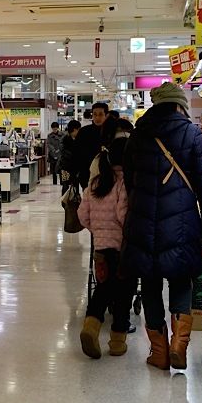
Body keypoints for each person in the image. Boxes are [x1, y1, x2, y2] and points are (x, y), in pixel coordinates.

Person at [122, 82, 202, 371]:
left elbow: (129, 179)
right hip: (182, 219)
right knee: (180, 278)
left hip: (143, 219)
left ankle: (159, 352)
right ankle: (179, 344)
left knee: (150, 282)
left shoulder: (137, 134)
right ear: (179, 105)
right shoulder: (191, 133)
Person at [77, 136, 135, 359]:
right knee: (124, 293)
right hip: (122, 249)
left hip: (101, 248)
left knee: (103, 288)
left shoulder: (94, 183)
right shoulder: (124, 183)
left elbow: (82, 215)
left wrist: (98, 230)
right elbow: (123, 215)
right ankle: (117, 342)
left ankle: (90, 328)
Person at [75, 102, 108, 189]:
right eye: (95, 114)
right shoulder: (84, 132)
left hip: (107, 176)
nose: (97, 117)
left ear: (106, 115)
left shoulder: (110, 133)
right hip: (87, 175)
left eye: (100, 114)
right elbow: (77, 153)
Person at [58, 120, 81, 193]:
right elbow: (63, 152)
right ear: (75, 129)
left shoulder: (79, 139)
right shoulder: (64, 139)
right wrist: (75, 155)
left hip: (76, 167)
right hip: (65, 167)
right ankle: (65, 199)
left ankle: (75, 198)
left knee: (76, 184)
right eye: (79, 129)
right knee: (65, 185)